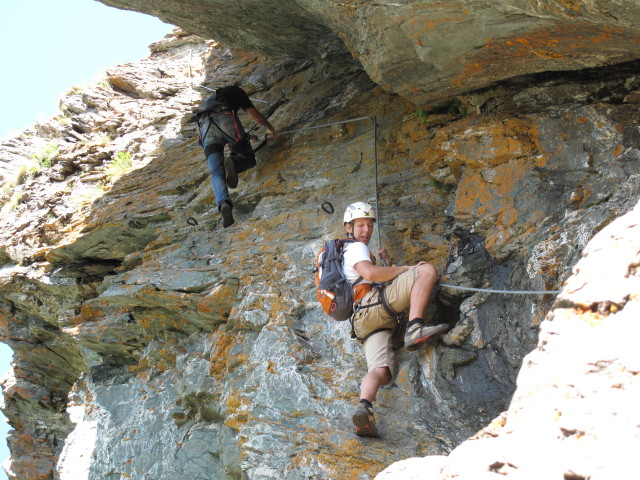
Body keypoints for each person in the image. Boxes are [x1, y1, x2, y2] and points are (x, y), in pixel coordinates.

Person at [341, 201, 449, 437]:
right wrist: (404, 268)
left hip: (362, 321)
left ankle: (364, 407)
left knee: (382, 370)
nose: (366, 231)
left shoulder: (345, 254)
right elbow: (370, 274)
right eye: (360, 225)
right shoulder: (356, 248)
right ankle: (414, 327)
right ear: (348, 227)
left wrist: (386, 264)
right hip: (374, 308)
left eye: (369, 225)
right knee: (425, 271)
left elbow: (374, 279)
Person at [197, 85, 277, 228]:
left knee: (216, 171)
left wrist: (248, 137)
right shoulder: (237, 91)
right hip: (225, 119)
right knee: (247, 159)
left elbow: (216, 129)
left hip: (205, 127)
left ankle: (223, 203)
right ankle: (234, 161)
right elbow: (254, 114)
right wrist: (270, 129)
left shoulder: (211, 100)